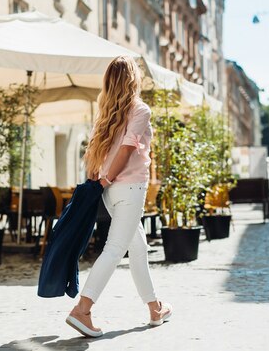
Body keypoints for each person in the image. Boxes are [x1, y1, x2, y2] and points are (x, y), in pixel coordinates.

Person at [65, 56, 172, 338]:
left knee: (138, 247)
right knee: (114, 250)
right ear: (132, 81)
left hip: (111, 192)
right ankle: (82, 310)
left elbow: (93, 154)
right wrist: (106, 178)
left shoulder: (106, 114)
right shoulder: (140, 110)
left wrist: (98, 181)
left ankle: (155, 307)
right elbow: (126, 151)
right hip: (129, 188)